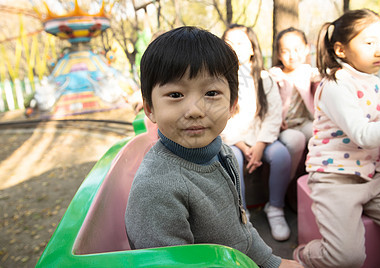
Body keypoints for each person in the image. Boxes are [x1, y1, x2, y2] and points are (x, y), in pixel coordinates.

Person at [125, 26, 302, 268]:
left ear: (232, 105)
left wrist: (272, 262)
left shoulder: (223, 153)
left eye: (211, 93)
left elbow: (240, 230)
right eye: (176, 94)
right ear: (149, 108)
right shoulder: (157, 189)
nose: (195, 111)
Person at [292, 9, 380, 268]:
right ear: (340, 50)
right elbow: (365, 135)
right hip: (334, 177)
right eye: (369, 42)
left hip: (373, 174)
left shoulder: (376, 83)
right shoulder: (335, 85)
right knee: (347, 258)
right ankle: (305, 255)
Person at [221, 24, 293, 241]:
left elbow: (273, 114)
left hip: (263, 137)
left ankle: (276, 208)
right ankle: (242, 214)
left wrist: (261, 145)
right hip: (234, 140)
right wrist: (242, 144)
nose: (235, 48)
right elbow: (221, 119)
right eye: (229, 44)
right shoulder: (220, 80)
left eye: (241, 43)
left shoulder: (264, 78)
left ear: (253, 48)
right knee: (233, 157)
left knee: (281, 155)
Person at [269, 27, 320, 179]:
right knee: (295, 140)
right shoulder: (274, 75)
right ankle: (288, 179)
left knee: (318, 133)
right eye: (285, 51)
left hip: (304, 122)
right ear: (278, 54)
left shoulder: (307, 71)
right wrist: (277, 121)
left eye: (297, 49)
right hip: (284, 127)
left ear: (306, 49)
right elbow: (269, 103)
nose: (292, 56)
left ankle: (318, 174)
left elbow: (322, 77)